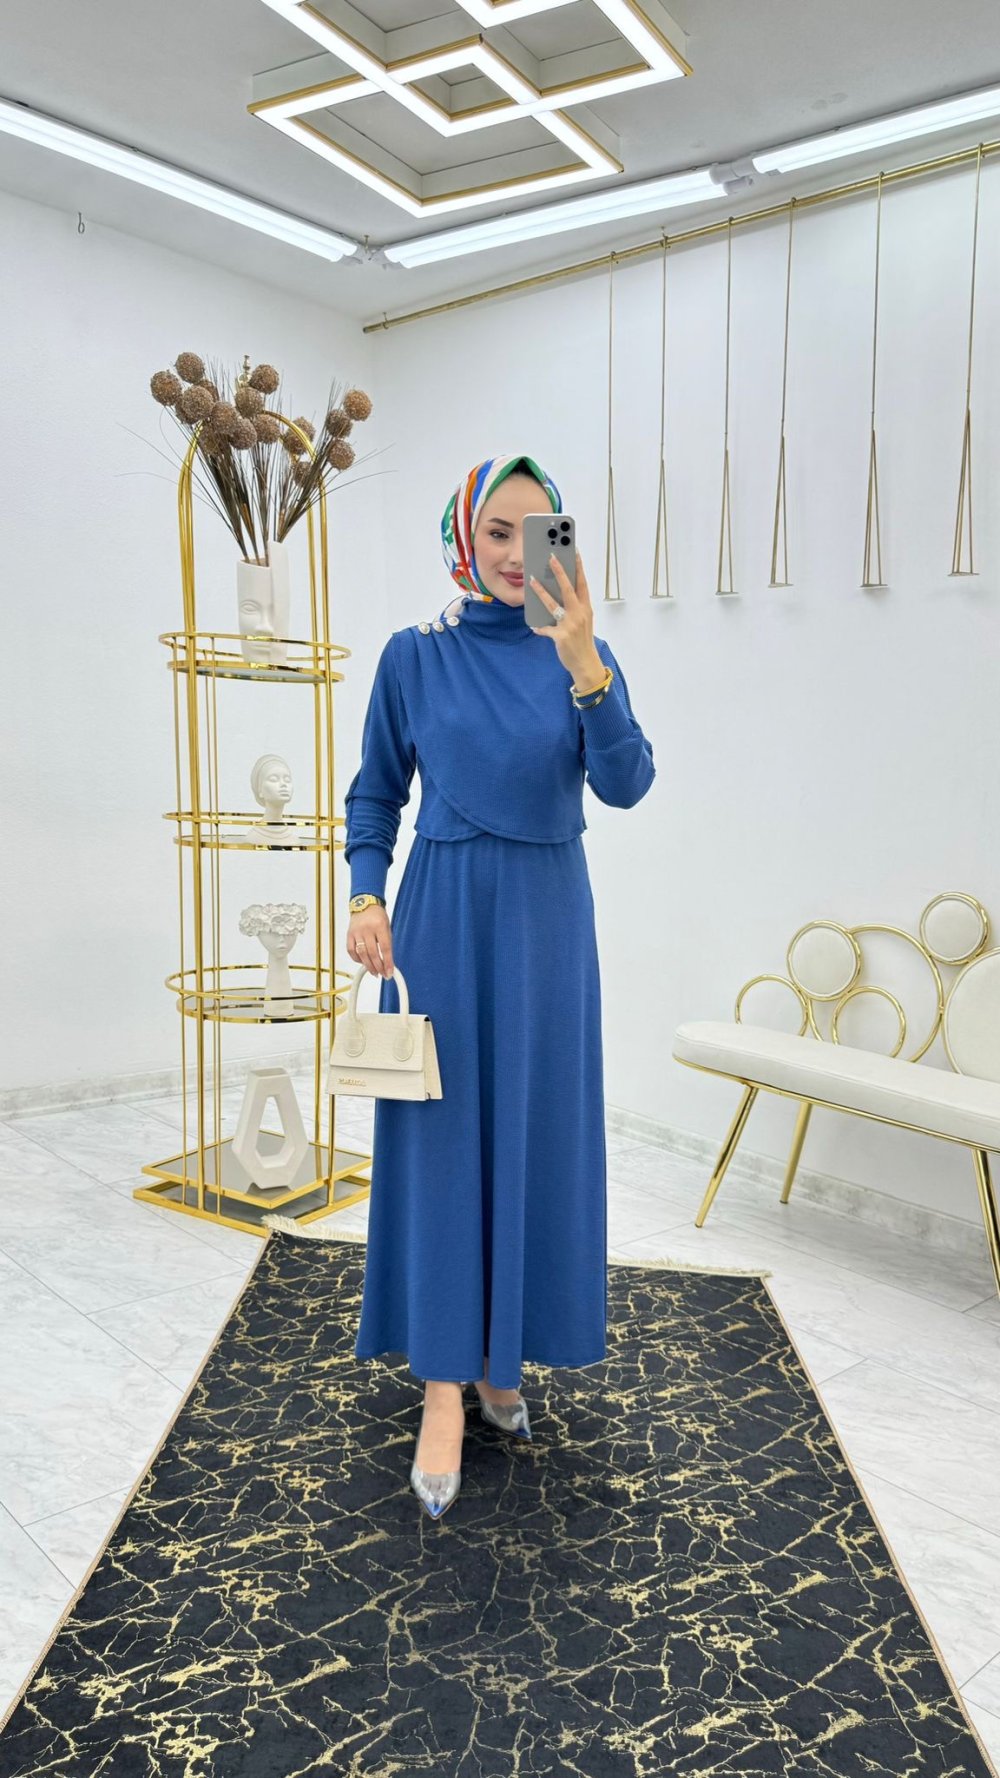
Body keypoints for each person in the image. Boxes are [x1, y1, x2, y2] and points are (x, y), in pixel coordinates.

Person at [343, 453, 656, 1520]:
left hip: (547, 922)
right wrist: (365, 893)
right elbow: (377, 790)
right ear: (463, 538)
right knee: (443, 1143)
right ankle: (443, 1383)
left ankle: (501, 1358)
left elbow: (626, 784)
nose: (521, 553)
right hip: (439, 917)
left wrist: (585, 663)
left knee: (534, 1129)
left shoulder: (582, 653)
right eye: (498, 532)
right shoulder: (415, 654)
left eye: (541, 530)